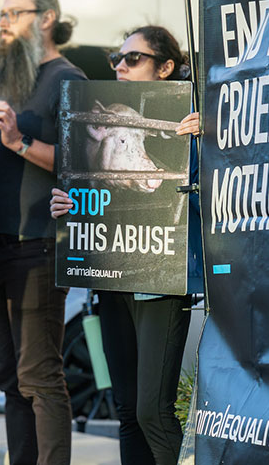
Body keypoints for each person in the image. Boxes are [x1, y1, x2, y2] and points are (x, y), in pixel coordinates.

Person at [49, 25, 202, 465]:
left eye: (132, 59)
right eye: (116, 59)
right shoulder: (95, 120)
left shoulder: (196, 116)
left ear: (165, 67)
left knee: (153, 411)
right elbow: (90, 191)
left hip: (160, 276)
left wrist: (202, 139)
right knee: (129, 412)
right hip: (111, 274)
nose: (119, 66)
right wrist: (65, 201)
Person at [0, 0, 87, 465]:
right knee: (8, 376)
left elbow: (84, 163)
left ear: (45, 18)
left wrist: (19, 142)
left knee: (39, 375)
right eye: (0, 16)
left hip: (42, 243)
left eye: (13, 14)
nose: (3, 24)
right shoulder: (16, 83)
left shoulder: (69, 80)